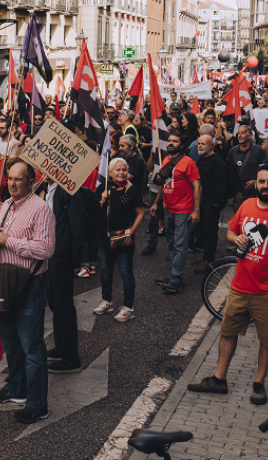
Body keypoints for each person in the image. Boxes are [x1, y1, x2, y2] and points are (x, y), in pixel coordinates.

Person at [187, 166, 268, 406]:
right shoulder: (247, 205)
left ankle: (258, 384)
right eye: (261, 181)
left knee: (267, 341)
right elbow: (230, 232)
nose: (265, 186)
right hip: (239, 287)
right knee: (228, 333)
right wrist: (236, 238)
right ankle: (220, 379)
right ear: (256, 183)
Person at [0, 159, 55, 424]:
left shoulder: (41, 209)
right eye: (10, 178)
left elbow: (46, 249)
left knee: (32, 346)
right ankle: (16, 388)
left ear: (30, 183)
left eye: (18, 180)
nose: (12, 183)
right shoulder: (7, 206)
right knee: (10, 340)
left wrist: (10, 242)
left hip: (30, 284)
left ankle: (38, 404)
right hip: (5, 282)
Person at [44, 175, 85, 373]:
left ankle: (71, 358)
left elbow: (77, 226)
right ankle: (60, 348)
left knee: (64, 306)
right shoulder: (47, 188)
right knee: (54, 303)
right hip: (49, 257)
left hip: (62, 258)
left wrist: (76, 261)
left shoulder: (68, 190)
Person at [95, 158, 145, 322]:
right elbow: (95, 211)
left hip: (123, 238)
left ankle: (128, 308)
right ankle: (107, 301)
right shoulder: (104, 187)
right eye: (118, 170)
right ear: (110, 173)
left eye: (124, 170)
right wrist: (102, 200)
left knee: (125, 272)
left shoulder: (132, 190)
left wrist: (131, 232)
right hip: (104, 238)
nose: (122, 173)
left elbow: (140, 213)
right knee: (106, 270)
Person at [151, 133, 202, 294]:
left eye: (175, 141)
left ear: (181, 145)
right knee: (172, 243)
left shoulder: (188, 162)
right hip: (168, 208)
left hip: (183, 210)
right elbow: (162, 184)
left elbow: (197, 186)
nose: (171, 143)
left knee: (180, 246)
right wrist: (156, 203)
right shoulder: (166, 160)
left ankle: (176, 280)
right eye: (170, 141)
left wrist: (196, 210)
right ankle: (173, 275)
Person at [191, 135, 228, 274]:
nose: (200, 146)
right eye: (199, 143)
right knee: (203, 230)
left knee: (210, 231)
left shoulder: (217, 162)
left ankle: (209, 259)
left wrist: (217, 203)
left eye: (203, 144)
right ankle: (206, 256)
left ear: (211, 145)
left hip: (212, 202)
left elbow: (221, 183)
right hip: (201, 201)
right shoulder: (200, 160)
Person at [229, 124, 266, 211]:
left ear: (249, 136)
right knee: (239, 216)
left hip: (254, 192)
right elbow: (230, 171)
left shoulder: (259, 150)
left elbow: (265, 170)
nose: (239, 136)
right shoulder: (233, 151)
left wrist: (256, 181)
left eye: (242, 133)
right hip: (239, 191)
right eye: (238, 133)